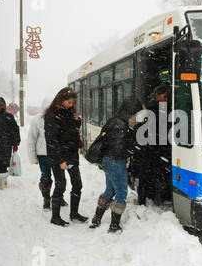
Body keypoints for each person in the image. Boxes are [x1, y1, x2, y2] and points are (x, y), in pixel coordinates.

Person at [89, 95, 142, 233]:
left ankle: (96, 219)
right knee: (121, 193)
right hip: (116, 162)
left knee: (110, 190)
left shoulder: (114, 120)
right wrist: (132, 147)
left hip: (107, 160)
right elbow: (120, 148)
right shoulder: (124, 124)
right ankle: (114, 226)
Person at [44, 87, 87, 227]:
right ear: (61, 100)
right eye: (69, 102)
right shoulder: (52, 115)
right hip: (59, 157)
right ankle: (55, 217)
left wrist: (77, 120)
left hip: (71, 155)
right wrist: (60, 160)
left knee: (77, 184)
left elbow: (72, 132)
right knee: (60, 185)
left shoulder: (69, 113)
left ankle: (74, 213)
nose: (71, 104)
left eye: (72, 102)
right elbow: (52, 140)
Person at [134, 86, 172, 206]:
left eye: (167, 97)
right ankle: (144, 200)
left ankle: (151, 198)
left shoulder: (162, 108)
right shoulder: (151, 109)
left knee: (151, 175)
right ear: (157, 96)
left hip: (156, 147)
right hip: (152, 148)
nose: (166, 99)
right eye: (164, 96)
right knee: (148, 175)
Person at [28, 98, 66, 211]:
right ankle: (46, 199)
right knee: (46, 177)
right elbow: (31, 139)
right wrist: (33, 157)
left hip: (57, 154)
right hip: (43, 154)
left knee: (60, 178)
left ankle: (58, 197)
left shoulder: (60, 118)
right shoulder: (37, 119)